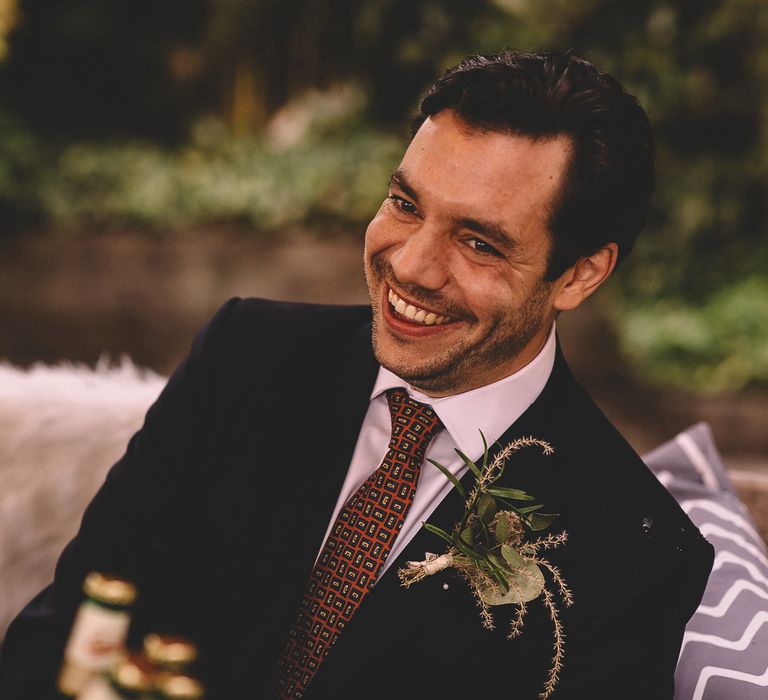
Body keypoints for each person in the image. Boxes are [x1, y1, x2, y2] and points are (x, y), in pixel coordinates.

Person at [0, 50, 713, 699]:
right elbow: (69, 619)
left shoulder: (641, 556)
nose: (409, 265)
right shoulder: (243, 355)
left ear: (580, 274)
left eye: (478, 243)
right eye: (405, 204)